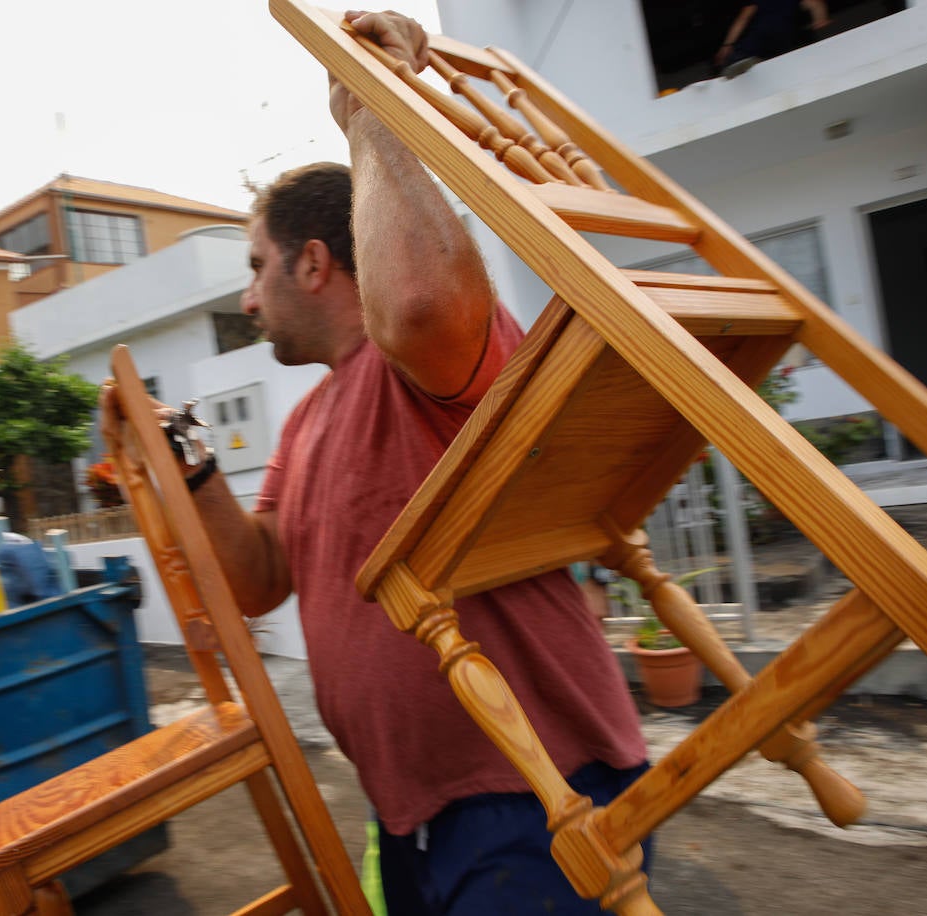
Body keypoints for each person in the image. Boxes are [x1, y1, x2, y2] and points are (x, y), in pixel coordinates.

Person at [101, 10, 649, 914]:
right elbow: (260, 577)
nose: (246, 296)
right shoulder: (310, 418)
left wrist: (370, 117)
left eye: (257, 265)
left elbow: (425, 301)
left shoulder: (427, 367)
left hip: (533, 799)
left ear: (314, 264)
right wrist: (189, 462)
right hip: (411, 817)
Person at [716, 0, 831, 79]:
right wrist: (820, 22)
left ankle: (742, 61)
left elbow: (744, 18)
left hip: (763, 33)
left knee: (738, 56)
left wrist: (727, 45)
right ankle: (761, 62)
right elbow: (815, 4)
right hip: (785, 35)